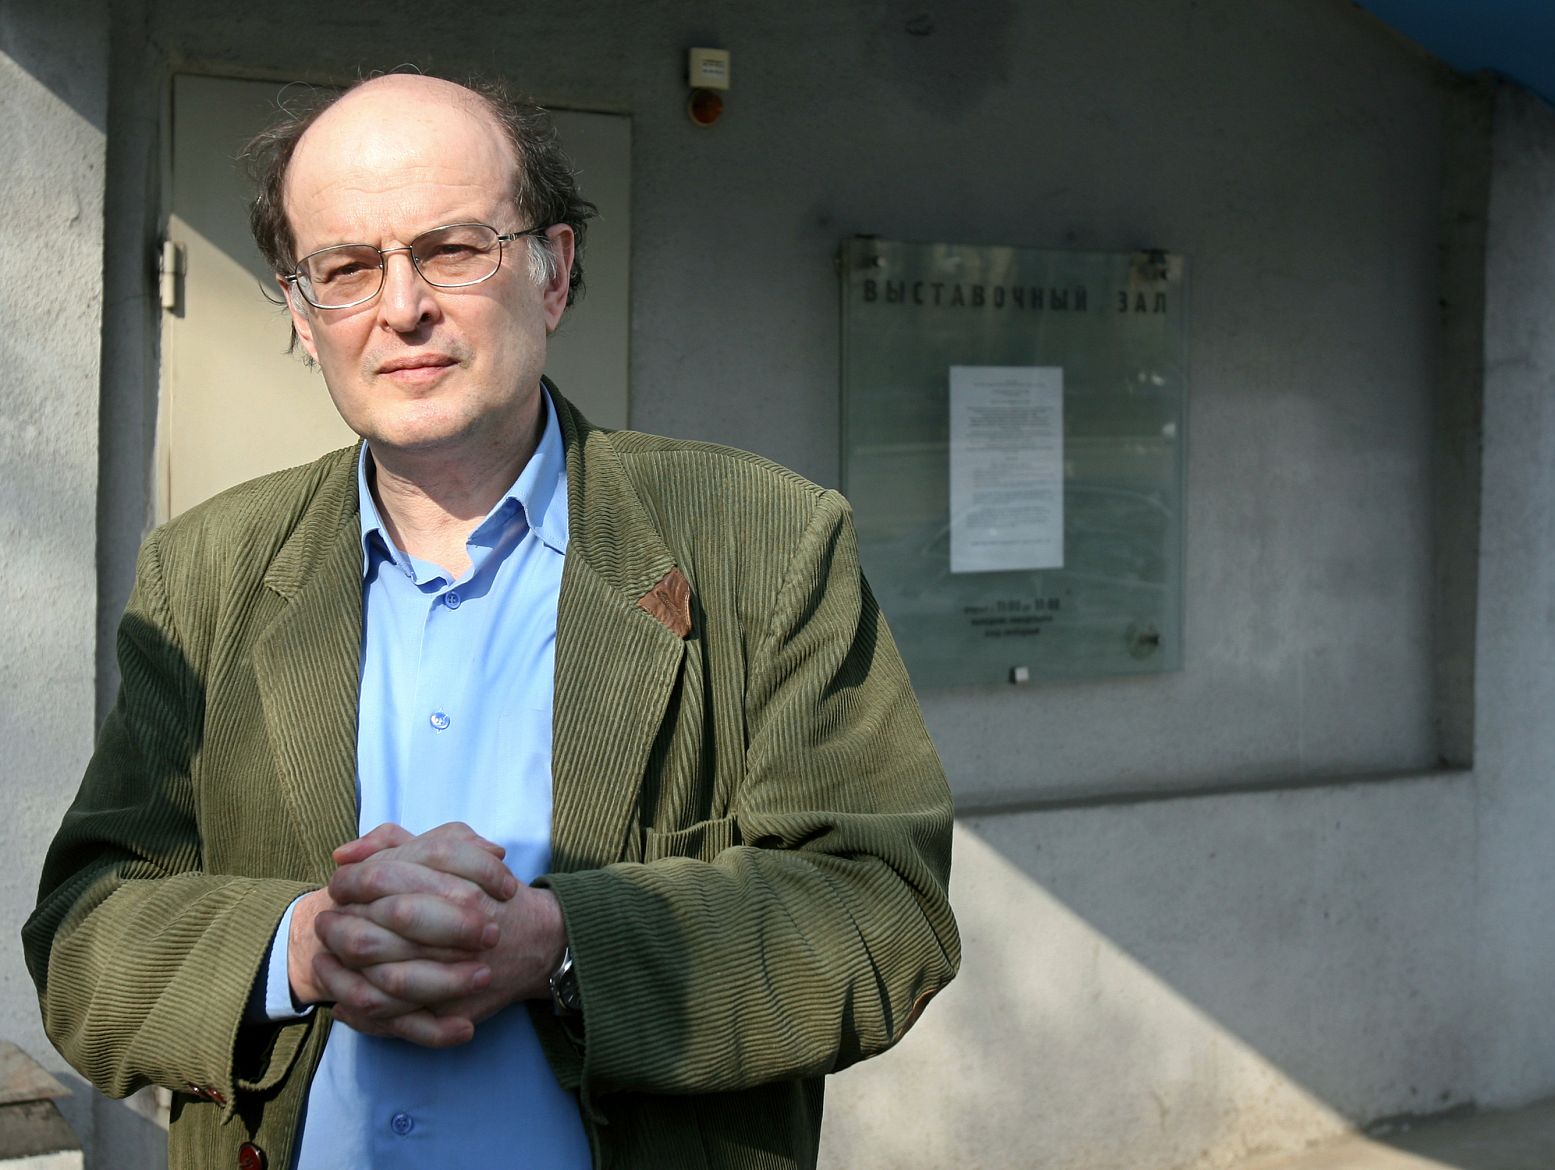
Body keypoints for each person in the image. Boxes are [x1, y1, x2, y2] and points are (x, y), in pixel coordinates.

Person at [22, 72, 959, 1170]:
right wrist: (299, 946)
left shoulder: (764, 541)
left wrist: (564, 947)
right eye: (348, 268)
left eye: (453, 249)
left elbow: (880, 909)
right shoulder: (207, 572)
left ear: (553, 272)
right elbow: (85, 940)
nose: (402, 305)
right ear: (300, 312)